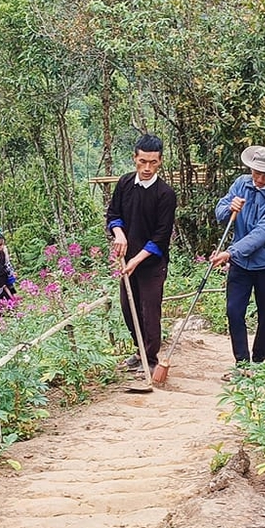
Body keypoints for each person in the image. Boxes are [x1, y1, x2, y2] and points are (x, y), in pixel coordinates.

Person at [211, 145, 265, 375]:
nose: (259, 178)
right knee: (234, 311)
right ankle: (242, 364)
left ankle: (258, 362)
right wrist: (229, 207)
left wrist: (230, 253)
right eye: (256, 172)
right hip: (241, 263)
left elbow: (262, 233)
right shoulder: (241, 183)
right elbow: (220, 213)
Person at [105, 134, 177, 377]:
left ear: (160, 162)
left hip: (151, 264)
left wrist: (137, 260)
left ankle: (151, 359)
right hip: (127, 260)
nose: (147, 168)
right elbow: (113, 214)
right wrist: (119, 234)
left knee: (149, 310)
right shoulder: (125, 183)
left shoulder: (165, 194)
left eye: (153, 162)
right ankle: (140, 352)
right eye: (142, 161)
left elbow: (161, 236)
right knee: (128, 307)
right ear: (134, 158)